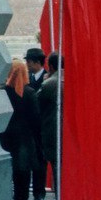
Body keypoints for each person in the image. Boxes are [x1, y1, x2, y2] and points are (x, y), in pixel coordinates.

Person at [1, 59, 44, 200]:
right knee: (23, 168)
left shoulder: (3, 92)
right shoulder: (29, 93)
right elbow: (35, 118)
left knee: (8, 168)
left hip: (5, 135)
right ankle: (22, 198)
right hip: (25, 136)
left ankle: (9, 196)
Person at [37, 53, 61, 191]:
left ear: (50, 66)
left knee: (57, 164)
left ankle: (60, 197)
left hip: (53, 130)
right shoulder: (74, 80)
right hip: (71, 130)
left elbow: (36, 104)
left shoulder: (49, 84)